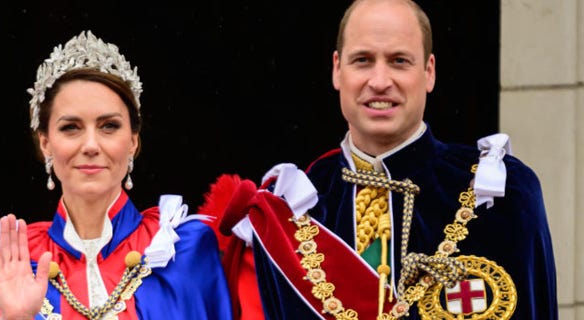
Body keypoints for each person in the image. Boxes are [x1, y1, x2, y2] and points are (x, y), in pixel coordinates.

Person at [198, 0, 558, 319]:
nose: (380, 81)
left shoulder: (501, 193)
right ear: (338, 70)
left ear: (428, 71)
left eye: (399, 61)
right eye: (363, 61)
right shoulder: (290, 209)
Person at [0, 30, 232, 320]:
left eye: (109, 126)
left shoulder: (183, 249)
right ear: (45, 143)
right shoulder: (7, 266)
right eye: (71, 127)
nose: (91, 145)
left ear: (133, 140)